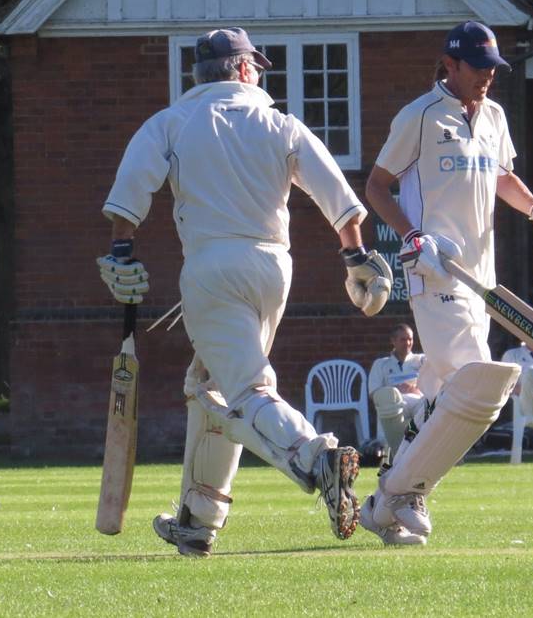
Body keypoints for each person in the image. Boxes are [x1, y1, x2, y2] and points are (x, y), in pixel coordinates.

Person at [96, 27, 392, 557]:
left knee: (246, 390)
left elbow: (127, 197)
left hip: (210, 267)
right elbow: (340, 199)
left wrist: (121, 254)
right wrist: (356, 258)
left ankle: (313, 455)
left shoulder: (173, 122)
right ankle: (198, 517)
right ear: (242, 70)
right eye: (255, 65)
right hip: (274, 270)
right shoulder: (281, 124)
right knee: (207, 385)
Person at [358, 20, 533, 546]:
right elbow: (376, 187)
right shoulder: (420, 117)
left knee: (442, 394)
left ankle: (385, 506)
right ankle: (401, 492)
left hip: (482, 279)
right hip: (435, 271)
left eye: (492, 70)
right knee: (479, 386)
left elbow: (500, 176)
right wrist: (413, 237)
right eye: (478, 69)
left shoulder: (495, 116)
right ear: (450, 65)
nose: (487, 79)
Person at [368, 323, 425, 455]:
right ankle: (392, 448)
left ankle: (424, 449)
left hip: (418, 400)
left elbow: (434, 386)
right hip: (396, 403)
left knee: (428, 406)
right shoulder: (381, 364)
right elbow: (374, 393)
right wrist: (395, 390)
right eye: (403, 339)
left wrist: (414, 389)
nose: (408, 343)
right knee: (390, 402)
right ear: (393, 341)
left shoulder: (422, 360)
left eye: (410, 339)